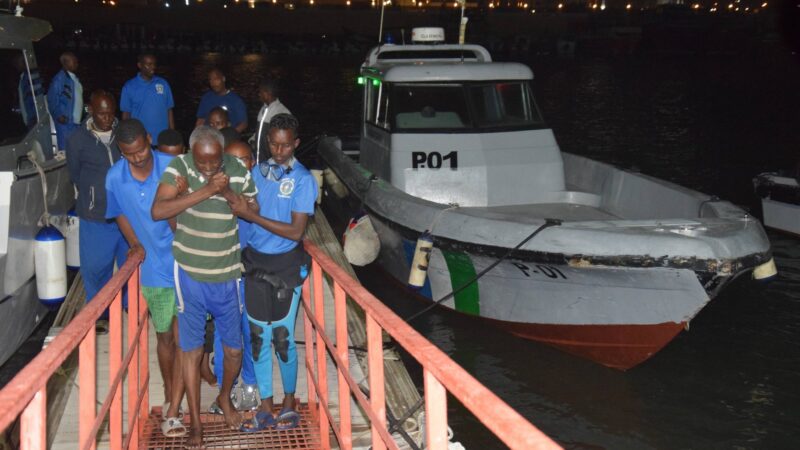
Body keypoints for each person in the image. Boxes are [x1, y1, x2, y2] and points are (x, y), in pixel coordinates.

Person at [152, 126, 258, 448]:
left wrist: (225, 192)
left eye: (214, 163)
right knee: (191, 349)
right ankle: (196, 421)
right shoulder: (179, 167)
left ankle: (225, 397)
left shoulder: (237, 170)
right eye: (202, 163)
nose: (209, 168)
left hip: (227, 276)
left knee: (234, 349)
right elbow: (158, 210)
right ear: (192, 152)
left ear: (222, 154)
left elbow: (252, 213)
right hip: (190, 276)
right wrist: (203, 191)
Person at [230, 114, 316, 432]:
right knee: (258, 340)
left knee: (282, 339)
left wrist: (251, 215)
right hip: (254, 264)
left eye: (286, 145)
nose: (279, 151)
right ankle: (266, 406)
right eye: (274, 144)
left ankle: (289, 402)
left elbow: (295, 231)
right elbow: (242, 208)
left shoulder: (304, 179)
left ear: (295, 143)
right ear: (268, 142)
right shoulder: (255, 172)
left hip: (286, 267)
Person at [105, 119, 185, 437]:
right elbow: (119, 213)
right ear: (120, 152)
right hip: (151, 268)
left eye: (141, 150)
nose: (138, 158)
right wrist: (134, 243)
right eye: (129, 154)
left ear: (149, 139)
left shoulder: (173, 166)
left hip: (183, 263)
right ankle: (169, 392)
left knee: (183, 337)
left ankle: (175, 408)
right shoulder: (114, 178)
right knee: (164, 336)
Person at [66, 90, 129, 311]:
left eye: (111, 114)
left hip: (126, 215)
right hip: (95, 216)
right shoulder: (77, 139)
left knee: (130, 266)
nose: (107, 119)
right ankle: (100, 314)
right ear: (91, 111)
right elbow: (74, 174)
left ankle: (130, 309)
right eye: (101, 114)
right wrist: (93, 193)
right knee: (95, 269)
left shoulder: (124, 133)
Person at [120, 54, 175, 146]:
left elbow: (169, 109)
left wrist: (172, 134)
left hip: (163, 139)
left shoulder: (163, 84)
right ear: (140, 65)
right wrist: (128, 137)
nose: (153, 67)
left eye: (154, 64)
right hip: (141, 140)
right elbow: (126, 115)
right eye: (148, 64)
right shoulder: (129, 86)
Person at [47, 52, 83, 150]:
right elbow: (51, 98)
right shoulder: (59, 79)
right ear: (65, 63)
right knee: (66, 152)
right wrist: (58, 115)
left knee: (75, 151)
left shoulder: (74, 78)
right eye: (74, 61)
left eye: (76, 61)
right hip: (66, 122)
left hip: (75, 122)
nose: (76, 63)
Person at [195, 68, 247, 133]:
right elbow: (200, 120)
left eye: (216, 79)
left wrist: (230, 135)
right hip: (209, 136)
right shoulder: (206, 98)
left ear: (223, 79)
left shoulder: (236, 101)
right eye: (210, 80)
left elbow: (243, 124)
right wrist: (196, 136)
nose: (213, 83)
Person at [252, 78, 291, 163]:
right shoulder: (264, 108)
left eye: (260, 92)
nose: (259, 94)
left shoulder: (282, 113)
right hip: (259, 159)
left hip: (271, 162)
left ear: (267, 93)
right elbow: (261, 130)